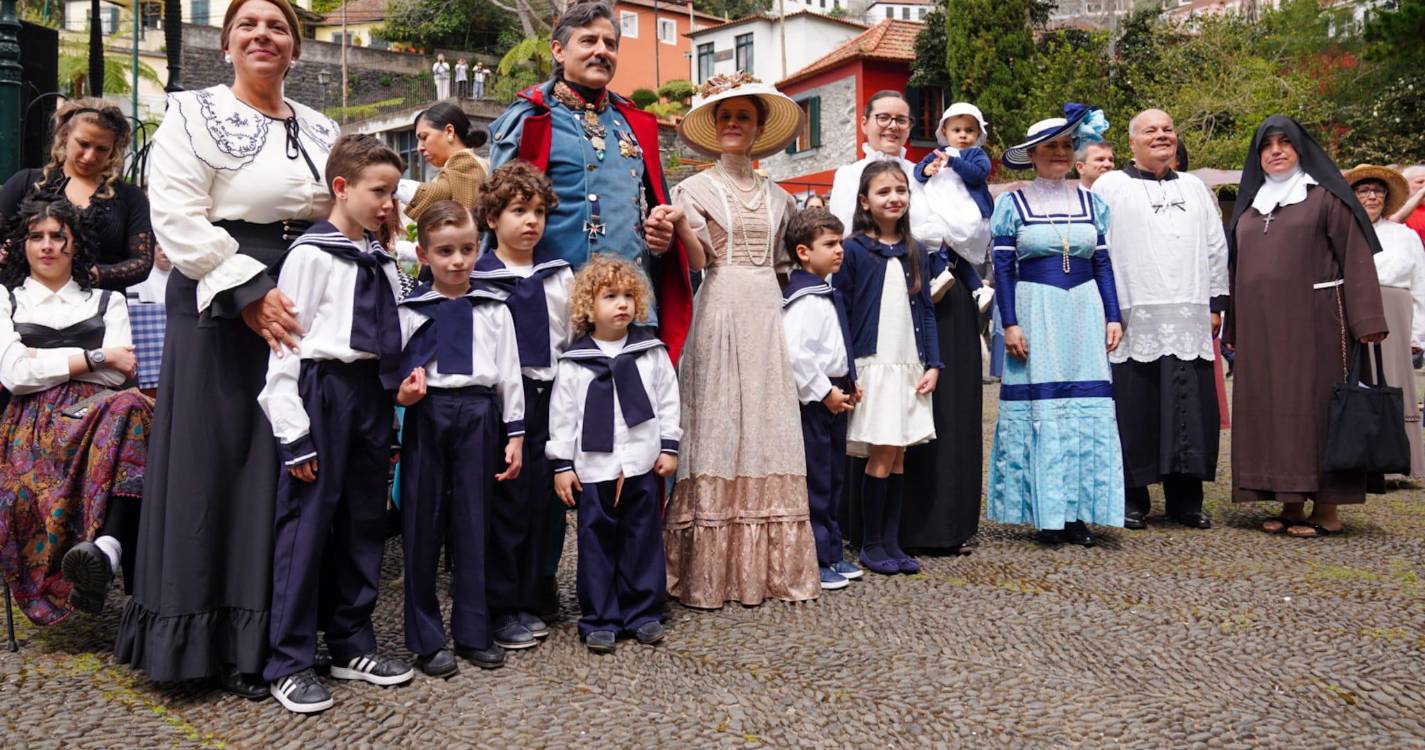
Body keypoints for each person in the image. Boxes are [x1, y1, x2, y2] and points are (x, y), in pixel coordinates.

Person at [116, 0, 341, 699]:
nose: (262, 35)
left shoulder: (322, 127)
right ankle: (207, 642)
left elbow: (347, 206)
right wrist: (248, 292)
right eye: (247, 25)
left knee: (283, 465)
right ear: (226, 43)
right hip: (220, 295)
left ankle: (275, 636)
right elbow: (176, 213)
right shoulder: (190, 112)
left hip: (305, 292)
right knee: (221, 464)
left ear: (295, 47)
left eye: (277, 26)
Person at [488, 0, 694, 608]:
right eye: (588, 41)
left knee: (639, 441)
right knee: (557, 446)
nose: (602, 51)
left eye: (610, 42)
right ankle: (535, 585)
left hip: (632, 308)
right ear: (558, 49)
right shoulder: (529, 118)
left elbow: (649, 203)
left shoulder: (636, 123)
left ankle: (635, 586)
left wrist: (661, 232)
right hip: (554, 311)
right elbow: (500, 210)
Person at [254, 134, 412, 713]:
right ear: (341, 188)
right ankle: (289, 659)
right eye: (379, 192)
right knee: (307, 525)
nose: (388, 205)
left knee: (364, 522)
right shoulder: (310, 256)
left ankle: (351, 640)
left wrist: (403, 386)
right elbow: (285, 350)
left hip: (371, 397)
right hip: (323, 394)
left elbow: (396, 331)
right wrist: (293, 433)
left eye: (393, 194)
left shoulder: (382, 259)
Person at [662, 72, 819, 607]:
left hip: (765, 312)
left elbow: (783, 268)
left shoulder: (781, 199)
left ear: (756, 130)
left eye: (743, 118)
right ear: (714, 127)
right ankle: (710, 573)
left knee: (768, 424)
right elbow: (701, 260)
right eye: (725, 117)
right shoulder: (693, 189)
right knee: (719, 420)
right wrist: (683, 226)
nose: (733, 125)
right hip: (720, 303)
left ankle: (768, 571)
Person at [1225, 116, 1387, 538]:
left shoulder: (1325, 199)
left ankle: (1329, 508)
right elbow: (1235, 269)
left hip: (1315, 323)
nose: (1276, 150)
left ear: (1302, 149)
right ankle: (1290, 502)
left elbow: (1356, 256)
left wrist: (1366, 318)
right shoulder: (1250, 204)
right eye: (1267, 145)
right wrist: (1234, 327)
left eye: (1285, 143)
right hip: (1262, 330)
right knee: (1274, 411)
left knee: (1316, 410)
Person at [0, 197, 150, 626]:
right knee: (135, 413)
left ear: (75, 244)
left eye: (58, 237)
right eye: (36, 237)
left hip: (106, 417)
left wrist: (43, 358)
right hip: (32, 428)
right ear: (23, 245)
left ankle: (106, 550)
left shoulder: (108, 301)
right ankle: (110, 547)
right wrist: (98, 355)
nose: (47, 246)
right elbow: (14, 376)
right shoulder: (6, 300)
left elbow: (122, 375)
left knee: (130, 406)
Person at [985, 105, 1126, 547]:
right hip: (1035, 310)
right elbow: (1003, 269)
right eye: (1051, 147)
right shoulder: (1013, 203)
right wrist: (1009, 323)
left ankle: (1080, 512)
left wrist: (1114, 314)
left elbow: (1103, 263)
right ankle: (1048, 512)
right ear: (1032, 154)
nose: (1060, 153)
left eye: (1067, 145)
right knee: (1043, 408)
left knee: (1085, 407)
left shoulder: (1092, 202)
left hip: (1083, 311)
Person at [396, 201, 524, 677]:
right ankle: (427, 639)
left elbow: (509, 372)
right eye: (445, 251)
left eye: (467, 249)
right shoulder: (410, 310)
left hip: (478, 414)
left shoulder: (494, 308)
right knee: (422, 523)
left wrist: (516, 434)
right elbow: (396, 375)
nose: (458, 261)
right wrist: (403, 399)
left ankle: (474, 631)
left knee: (475, 523)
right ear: (423, 255)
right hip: (428, 415)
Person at [1091, 108, 1228, 530]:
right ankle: (1133, 497)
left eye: (1168, 129)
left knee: (1190, 407)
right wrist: (1106, 308)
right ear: (1132, 143)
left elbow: (1215, 246)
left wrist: (1215, 303)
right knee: (1135, 409)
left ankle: (1186, 500)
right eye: (1150, 130)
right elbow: (1098, 247)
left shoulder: (1195, 187)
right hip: (1135, 314)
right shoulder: (1110, 186)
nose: (1161, 136)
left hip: (1189, 313)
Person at [548, 255, 681, 653]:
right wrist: (562, 465)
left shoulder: (651, 352)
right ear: (590, 306)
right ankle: (600, 617)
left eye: (627, 296)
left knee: (642, 539)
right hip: (594, 468)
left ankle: (643, 612)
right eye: (609, 296)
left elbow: (668, 400)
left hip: (641, 462)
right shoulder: (575, 364)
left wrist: (670, 446)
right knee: (596, 542)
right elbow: (563, 416)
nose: (621, 304)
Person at [470, 162, 572, 648]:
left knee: (549, 502)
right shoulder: (477, 278)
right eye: (517, 211)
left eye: (537, 212)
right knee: (507, 504)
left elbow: (570, 336)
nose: (530, 222)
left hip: (551, 396)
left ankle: (537, 589)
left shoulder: (558, 274)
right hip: (501, 404)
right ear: (492, 218)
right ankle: (501, 604)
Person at [833, 161, 940, 574]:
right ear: (864, 201)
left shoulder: (916, 250)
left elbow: (927, 312)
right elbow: (840, 311)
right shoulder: (855, 250)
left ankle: (892, 541)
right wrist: (847, 370)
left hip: (908, 364)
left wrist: (934, 363)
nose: (894, 197)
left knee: (898, 456)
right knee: (880, 454)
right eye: (883, 192)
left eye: (901, 190)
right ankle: (871, 544)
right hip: (873, 364)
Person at [903, 101, 995, 555]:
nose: (961, 137)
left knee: (955, 405)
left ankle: (953, 518)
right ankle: (910, 521)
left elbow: (973, 220)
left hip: (953, 284)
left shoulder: (969, 165)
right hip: (915, 283)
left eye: (968, 130)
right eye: (953, 130)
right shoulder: (925, 169)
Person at [781, 209, 863, 589]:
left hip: (834, 390)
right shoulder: (803, 300)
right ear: (802, 251)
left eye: (840, 243)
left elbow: (836, 346)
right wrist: (825, 392)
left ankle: (832, 551)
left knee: (834, 476)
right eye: (829, 244)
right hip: (816, 401)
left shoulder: (823, 293)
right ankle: (816, 557)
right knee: (818, 478)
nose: (839, 251)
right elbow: (798, 354)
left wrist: (851, 380)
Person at [0, 98, 154, 291]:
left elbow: (142, 262)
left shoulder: (131, 197)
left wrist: (91, 274)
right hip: (25, 307)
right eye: (83, 144)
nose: (90, 156)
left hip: (99, 310)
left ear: (114, 149)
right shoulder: (25, 183)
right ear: (65, 136)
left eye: (102, 149)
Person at [1345, 164, 1425, 479]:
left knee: (1394, 383)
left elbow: (1421, 284)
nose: (1372, 196)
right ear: (1353, 196)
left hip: (1398, 318)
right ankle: (1361, 461)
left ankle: (1397, 465)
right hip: (1355, 314)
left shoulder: (1404, 236)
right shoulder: (1344, 232)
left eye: (1378, 190)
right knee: (1359, 385)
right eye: (1364, 190)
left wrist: (1418, 333)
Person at [828, 91, 927, 236]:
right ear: (864, 124)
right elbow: (844, 230)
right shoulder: (848, 175)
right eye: (883, 118)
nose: (893, 126)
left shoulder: (920, 173)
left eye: (901, 120)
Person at [399, 102, 490, 222]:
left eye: (424, 137)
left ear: (449, 131)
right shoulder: (460, 166)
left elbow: (439, 194)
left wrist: (391, 185)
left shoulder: (466, 163)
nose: (419, 148)